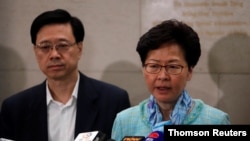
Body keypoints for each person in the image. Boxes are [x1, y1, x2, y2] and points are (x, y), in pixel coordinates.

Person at [0, 9, 130, 141]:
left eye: (62, 45)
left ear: (79, 49)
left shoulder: (113, 100)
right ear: (35, 51)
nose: (54, 54)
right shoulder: (15, 108)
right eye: (45, 47)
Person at [111, 19, 230, 141]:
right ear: (143, 69)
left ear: (189, 72)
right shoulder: (125, 121)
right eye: (154, 66)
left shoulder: (215, 121)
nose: (162, 76)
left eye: (173, 67)